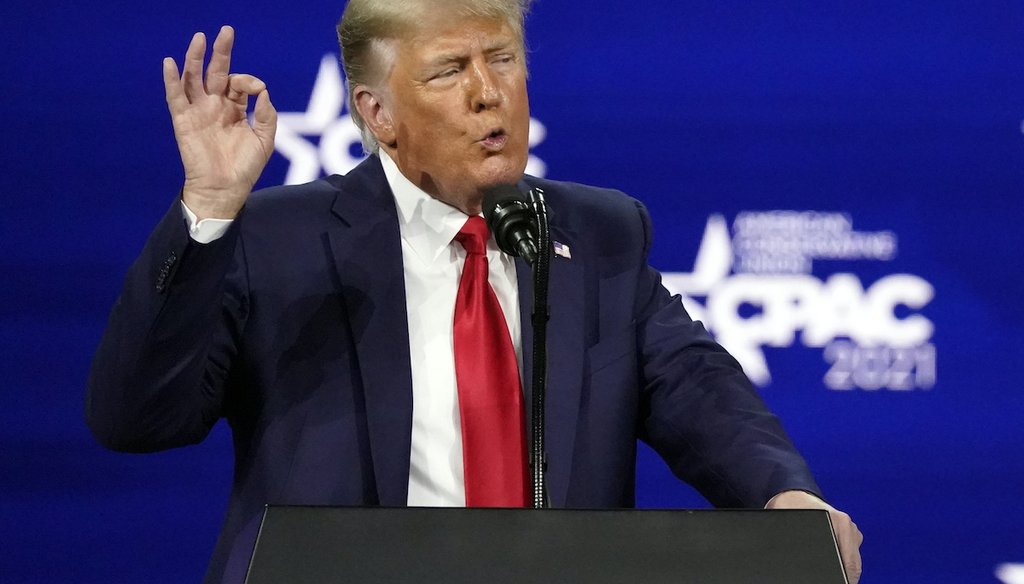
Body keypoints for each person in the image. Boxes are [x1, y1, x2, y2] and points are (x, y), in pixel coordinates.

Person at [86, 1, 863, 583]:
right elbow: (136, 419)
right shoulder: (277, 240)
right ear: (377, 114)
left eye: (503, 58)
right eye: (451, 71)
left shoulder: (599, 233)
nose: (489, 93)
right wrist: (209, 214)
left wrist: (783, 497)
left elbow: (697, 388)